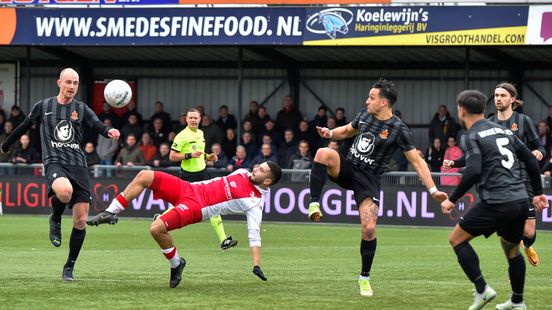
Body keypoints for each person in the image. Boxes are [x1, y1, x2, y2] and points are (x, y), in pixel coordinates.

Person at [307, 78, 448, 297]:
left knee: (369, 229)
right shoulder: (364, 115)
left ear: (384, 102)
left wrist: (433, 190)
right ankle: (314, 203)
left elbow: (418, 162)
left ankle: (364, 277)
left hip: (369, 179)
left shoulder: (399, 129)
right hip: (349, 167)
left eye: (371, 98)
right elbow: (347, 131)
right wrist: (330, 133)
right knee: (323, 153)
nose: (367, 101)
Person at [0, 68, 121, 281]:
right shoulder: (43, 106)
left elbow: (97, 125)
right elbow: (23, 126)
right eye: (68, 82)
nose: (72, 86)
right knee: (65, 192)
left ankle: (69, 267)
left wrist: (108, 132)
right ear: (59, 83)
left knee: (81, 221)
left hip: (78, 165)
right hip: (54, 161)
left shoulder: (81, 109)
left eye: (75, 83)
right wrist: (6, 145)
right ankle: (55, 218)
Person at [87, 161, 281, 288]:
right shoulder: (241, 172)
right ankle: (110, 212)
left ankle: (177, 264)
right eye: (258, 166)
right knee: (144, 175)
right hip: (187, 188)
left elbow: (254, 235)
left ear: (268, 181)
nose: (256, 169)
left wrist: (256, 264)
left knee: (156, 229)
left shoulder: (255, 202)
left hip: (197, 207)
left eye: (261, 170)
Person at [440, 89, 548, 310]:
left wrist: (453, 198)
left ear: (461, 110)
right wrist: (538, 192)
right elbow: (529, 158)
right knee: (511, 249)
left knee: (456, 240)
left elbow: (473, 170)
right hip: (520, 199)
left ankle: (482, 289)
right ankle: (517, 301)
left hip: (498, 200)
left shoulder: (470, 134)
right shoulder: (502, 130)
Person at [170, 107, 237, 250]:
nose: (193, 120)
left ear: (200, 119)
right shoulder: (182, 136)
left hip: (203, 173)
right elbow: (172, 156)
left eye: (196, 118)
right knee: (181, 204)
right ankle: (160, 220)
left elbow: (199, 151)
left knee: (214, 204)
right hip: (188, 175)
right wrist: (189, 155)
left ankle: (224, 240)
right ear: (187, 119)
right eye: (191, 118)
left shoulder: (200, 133)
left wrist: (208, 156)